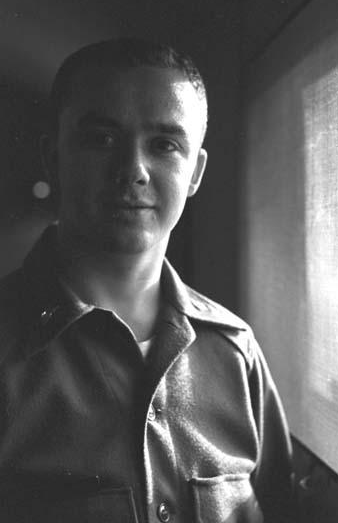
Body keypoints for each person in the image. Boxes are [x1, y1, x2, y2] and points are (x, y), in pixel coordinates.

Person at [0, 39, 294, 522]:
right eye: (102, 138)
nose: (133, 170)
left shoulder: (235, 354)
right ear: (54, 156)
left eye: (164, 145)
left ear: (195, 171)